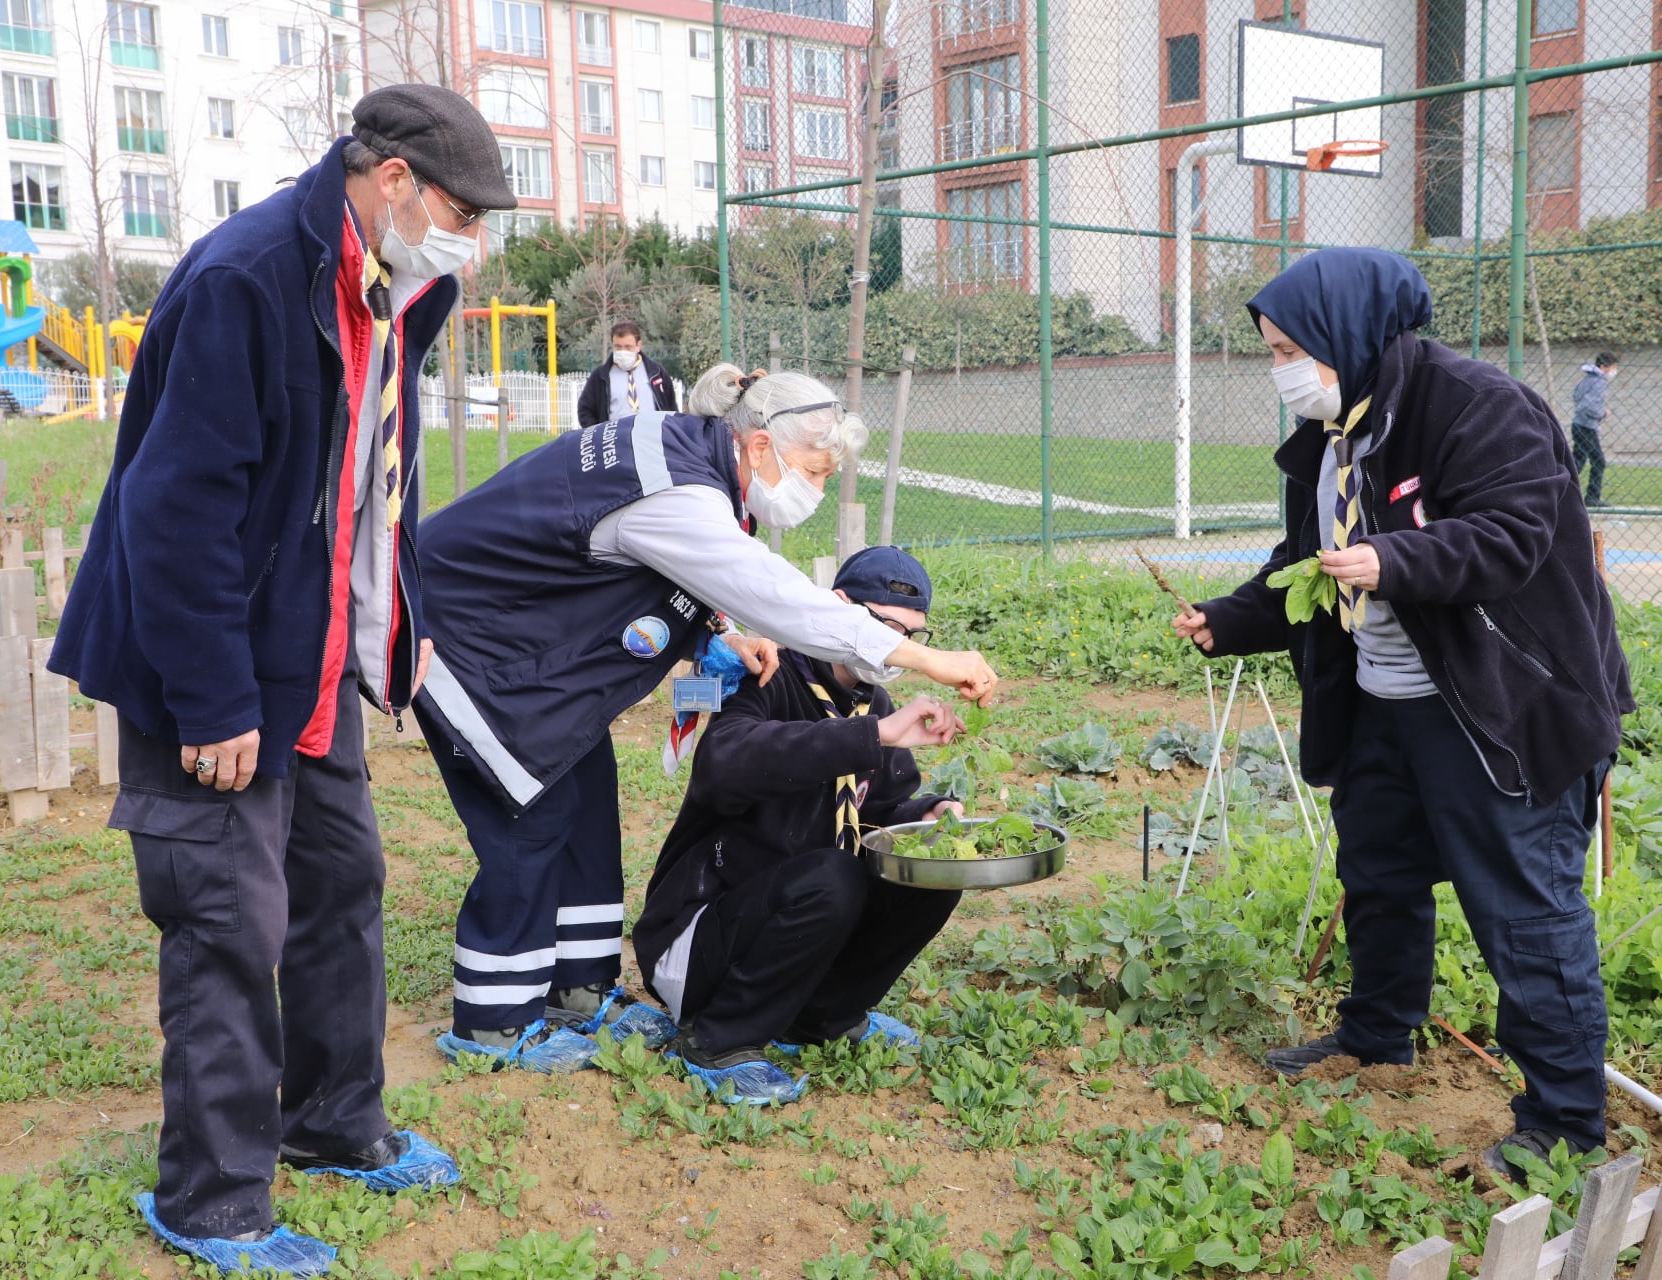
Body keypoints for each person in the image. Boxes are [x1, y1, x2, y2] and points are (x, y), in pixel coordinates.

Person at [48, 84, 505, 1274]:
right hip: (208, 664)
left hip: (306, 659)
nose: (478, 240)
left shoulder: (400, 289)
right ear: (392, 178)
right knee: (225, 916)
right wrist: (212, 700)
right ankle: (211, 1198)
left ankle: (334, 1118)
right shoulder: (248, 277)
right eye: (464, 209)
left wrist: (386, 631)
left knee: (342, 881)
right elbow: (175, 508)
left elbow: (366, 481)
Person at [1171, 248, 1633, 1178]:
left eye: (1291, 348)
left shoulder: (1478, 406)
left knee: (1526, 913)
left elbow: (1513, 533)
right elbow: (1307, 562)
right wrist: (1228, 619)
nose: (1282, 370)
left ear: (1350, 333)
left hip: (1501, 706)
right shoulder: (1333, 436)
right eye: (1272, 352)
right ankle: (1378, 1035)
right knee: (1377, 872)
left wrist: (1396, 562)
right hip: (1387, 702)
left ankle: (1566, 1120)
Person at [414, 364, 998, 1072]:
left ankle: (577, 988)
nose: (815, 488)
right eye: (813, 470)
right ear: (757, 447)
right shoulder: (680, 489)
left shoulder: (692, 464)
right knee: (529, 822)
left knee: (589, 803)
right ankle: (494, 1025)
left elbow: (659, 568)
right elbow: (774, 594)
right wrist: (928, 661)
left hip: (538, 658)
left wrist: (716, 636)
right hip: (471, 645)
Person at [634, 547, 967, 1105]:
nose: (897, 650)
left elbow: (882, 811)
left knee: (929, 872)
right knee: (833, 875)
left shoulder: (872, 702)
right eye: (886, 627)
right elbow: (725, 765)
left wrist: (928, 817)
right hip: (698, 946)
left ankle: (823, 1016)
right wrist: (876, 736)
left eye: (913, 636)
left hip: (797, 934)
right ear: (839, 608)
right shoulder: (767, 671)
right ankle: (718, 1041)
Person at [577, 321, 678, 426]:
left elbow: (671, 406)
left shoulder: (656, 373)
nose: (622, 351)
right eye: (618, 347)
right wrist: (598, 434)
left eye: (628, 347)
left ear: (638, 345)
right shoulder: (600, 376)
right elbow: (585, 410)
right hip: (615, 438)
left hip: (652, 435)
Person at [1569, 351, 1618, 508]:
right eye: (1612, 368)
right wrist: (1603, 412)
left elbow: (1576, 396)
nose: (1613, 372)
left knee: (1577, 461)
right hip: (1586, 427)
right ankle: (1592, 497)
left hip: (1579, 425)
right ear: (1603, 367)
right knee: (1598, 461)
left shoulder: (1588, 379)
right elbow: (1587, 405)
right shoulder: (1599, 382)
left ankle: (1560, 492)